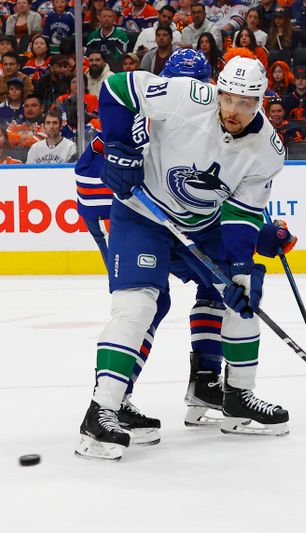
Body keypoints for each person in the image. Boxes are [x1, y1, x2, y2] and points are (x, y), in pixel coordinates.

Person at [75, 55, 292, 461]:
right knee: (138, 305)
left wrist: (240, 269)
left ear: (261, 101)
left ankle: (237, 396)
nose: (234, 110)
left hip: (204, 224)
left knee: (242, 291)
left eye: (246, 103)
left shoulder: (269, 150)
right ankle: (102, 410)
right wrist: (121, 147)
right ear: (219, 91)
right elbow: (116, 89)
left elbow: (241, 216)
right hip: (142, 215)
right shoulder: (185, 96)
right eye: (229, 99)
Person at [74, 49, 230, 437]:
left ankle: (205, 384)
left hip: (178, 222)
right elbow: (90, 181)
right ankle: (112, 400)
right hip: (130, 217)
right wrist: (118, 188)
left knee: (220, 283)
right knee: (144, 302)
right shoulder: (140, 116)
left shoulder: (211, 124)